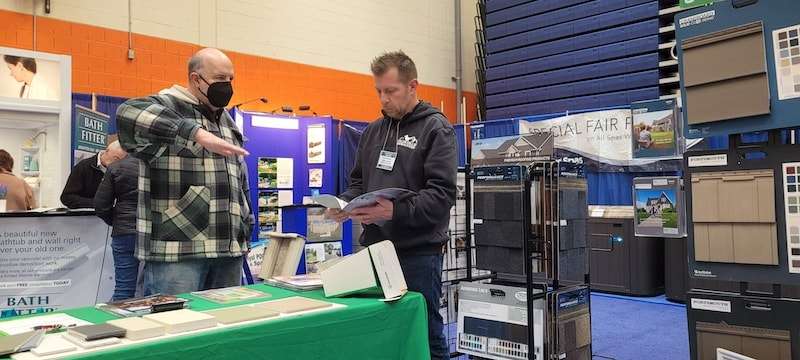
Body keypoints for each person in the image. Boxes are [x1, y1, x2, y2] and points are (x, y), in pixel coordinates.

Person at [327, 50, 456, 359]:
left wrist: (394, 211)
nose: (383, 99)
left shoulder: (436, 129)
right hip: (375, 249)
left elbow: (442, 196)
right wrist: (344, 203)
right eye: (378, 91)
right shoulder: (373, 131)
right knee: (382, 329)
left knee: (424, 329)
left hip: (419, 254)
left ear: (413, 86)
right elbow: (359, 182)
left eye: (390, 91)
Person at [116, 48, 253, 296]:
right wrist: (196, 133)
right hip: (178, 250)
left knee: (226, 328)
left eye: (231, 79)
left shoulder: (226, 121)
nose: (228, 86)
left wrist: (246, 230)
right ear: (195, 79)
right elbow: (127, 113)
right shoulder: (167, 104)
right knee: (173, 324)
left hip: (229, 249)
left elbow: (240, 182)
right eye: (220, 78)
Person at [94, 155, 140, 301]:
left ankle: (118, 323)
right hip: (156, 233)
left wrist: (117, 221)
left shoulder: (117, 167)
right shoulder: (160, 164)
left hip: (125, 232)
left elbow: (101, 205)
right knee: (153, 288)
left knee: (123, 290)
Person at [60, 141, 127, 209]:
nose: (117, 163)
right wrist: (97, 204)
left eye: (120, 160)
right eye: (115, 158)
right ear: (107, 151)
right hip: (85, 217)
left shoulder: (121, 170)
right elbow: (67, 198)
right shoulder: (83, 167)